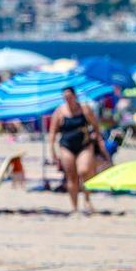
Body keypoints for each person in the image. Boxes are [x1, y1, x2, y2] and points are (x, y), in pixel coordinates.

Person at [49, 87, 106, 215]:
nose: (68, 99)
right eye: (65, 97)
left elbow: (96, 126)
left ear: (75, 96)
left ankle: (86, 199)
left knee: (84, 171)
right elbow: (52, 132)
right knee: (71, 176)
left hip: (84, 144)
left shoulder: (85, 109)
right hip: (66, 145)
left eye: (69, 96)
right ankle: (74, 207)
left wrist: (98, 140)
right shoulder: (59, 111)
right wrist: (52, 150)